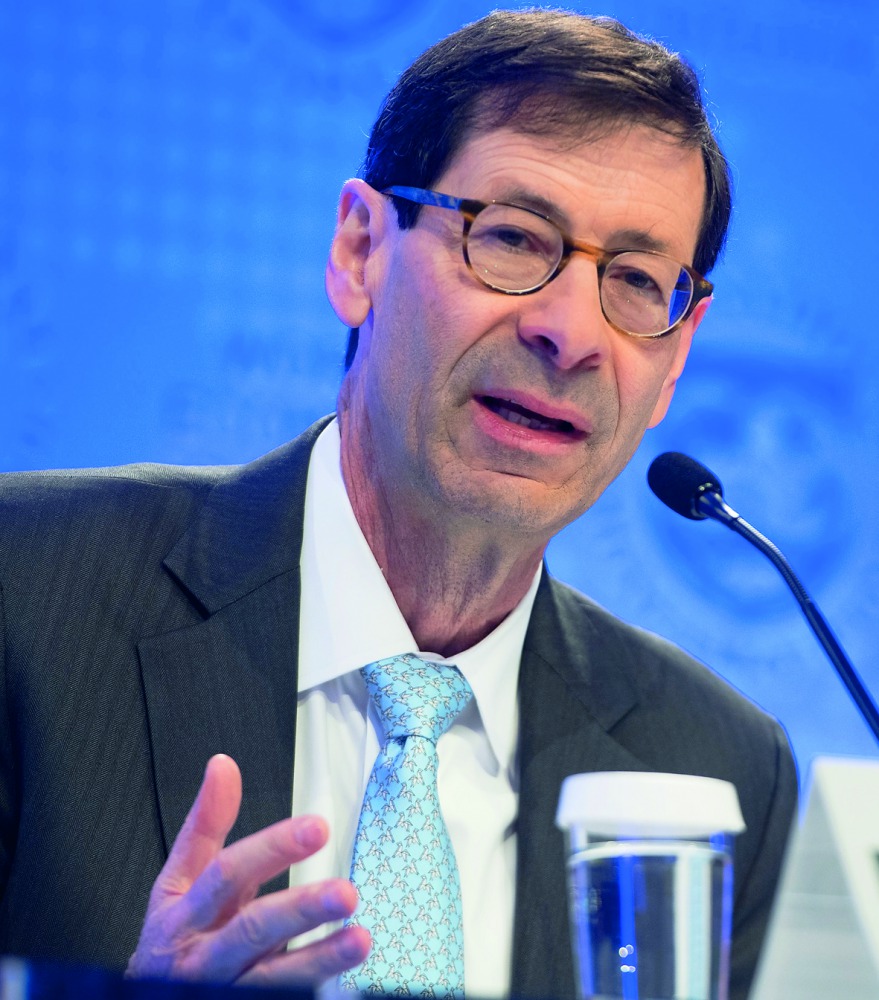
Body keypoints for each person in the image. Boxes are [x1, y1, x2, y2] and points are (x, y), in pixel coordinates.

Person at [0, 9, 796, 1000]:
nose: (569, 333)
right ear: (360, 249)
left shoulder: (715, 770)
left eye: (636, 281)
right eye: (511, 236)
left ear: (677, 354)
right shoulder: (25, 600)